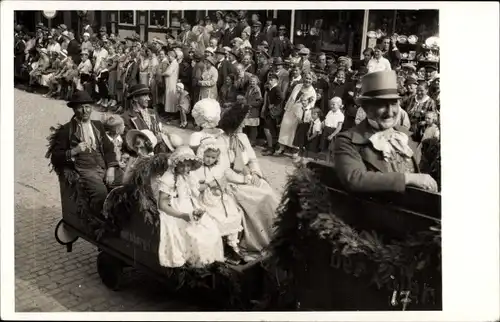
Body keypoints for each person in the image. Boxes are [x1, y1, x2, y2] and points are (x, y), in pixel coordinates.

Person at [334, 70, 438, 193]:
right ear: (367, 108)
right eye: (382, 105)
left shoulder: (404, 135)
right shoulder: (347, 141)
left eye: (394, 103)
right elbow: (355, 178)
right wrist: (407, 178)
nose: (390, 112)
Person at [216, 105, 280, 262]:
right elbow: (225, 171)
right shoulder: (220, 141)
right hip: (233, 182)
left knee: (268, 192)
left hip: (249, 176)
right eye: (242, 122)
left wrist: (255, 174)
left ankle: (276, 235)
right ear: (235, 122)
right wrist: (245, 179)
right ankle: (260, 240)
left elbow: (252, 159)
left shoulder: (243, 138)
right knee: (260, 196)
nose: (244, 125)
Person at [48, 91, 119, 218]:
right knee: (100, 193)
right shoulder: (67, 130)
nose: (85, 110)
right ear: (74, 109)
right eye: (81, 107)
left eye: (88, 107)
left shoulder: (98, 126)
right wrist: (74, 151)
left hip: (103, 166)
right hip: (86, 170)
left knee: (125, 183)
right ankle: (98, 221)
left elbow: (109, 148)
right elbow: (56, 156)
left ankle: (120, 219)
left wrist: (111, 169)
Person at [156, 145, 224, 268]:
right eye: (182, 165)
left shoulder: (189, 175)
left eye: (188, 165)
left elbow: (195, 190)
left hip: (191, 207)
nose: (185, 168)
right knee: (194, 235)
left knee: (212, 230)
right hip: (175, 210)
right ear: (175, 164)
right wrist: (183, 215)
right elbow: (162, 204)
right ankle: (194, 264)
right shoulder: (169, 179)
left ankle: (207, 263)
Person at [191, 138, 245, 264]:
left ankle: (231, 246)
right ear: (202, 154)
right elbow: (195, 187)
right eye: (207, 156)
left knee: (233, 214)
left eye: (213, 157)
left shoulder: (218, 169)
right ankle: (219, 248)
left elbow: (224, 180)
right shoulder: (197, 169)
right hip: (204, 199)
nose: (210, 159)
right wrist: (208, 185)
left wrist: (220, 184)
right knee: (215, 218)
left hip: (218, 198)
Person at [275, 71, 317, 156]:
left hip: (300, 114)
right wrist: (286, 108)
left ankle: (295, 150)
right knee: (285, 128)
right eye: (306, 78)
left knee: (295, 131)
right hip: (290, 110)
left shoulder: (312, 92)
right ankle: (282, 147)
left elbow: (311, 106)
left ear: (312, 80)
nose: (307, 80)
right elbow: (291, 98)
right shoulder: (298, 86)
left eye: (309, 79)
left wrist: (303, 114)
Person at [261, 73, 284, 156]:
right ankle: (271, 147)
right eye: (269, 79)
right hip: (269, 112)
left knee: (268, 130)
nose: (269, 81)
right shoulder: (271, 88)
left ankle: (271, 149)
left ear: (276, 81)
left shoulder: (276, 88)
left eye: (271, 79)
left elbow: (281, 97)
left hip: (273, 113)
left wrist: (273, 104)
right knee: (269, 130)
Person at [321, 97, 345, 161]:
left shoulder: (340, 115)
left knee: (330, 149)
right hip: (326, 130)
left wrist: (332, 135)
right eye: (331, 104)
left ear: (339, 105)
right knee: (323, 146)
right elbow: (326, 120)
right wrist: (323, 123)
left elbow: (339, 127)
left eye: (333, 104)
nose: (331, 106)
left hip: (333, 132)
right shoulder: (330, 112)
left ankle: (329, 161)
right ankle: (324, 160)